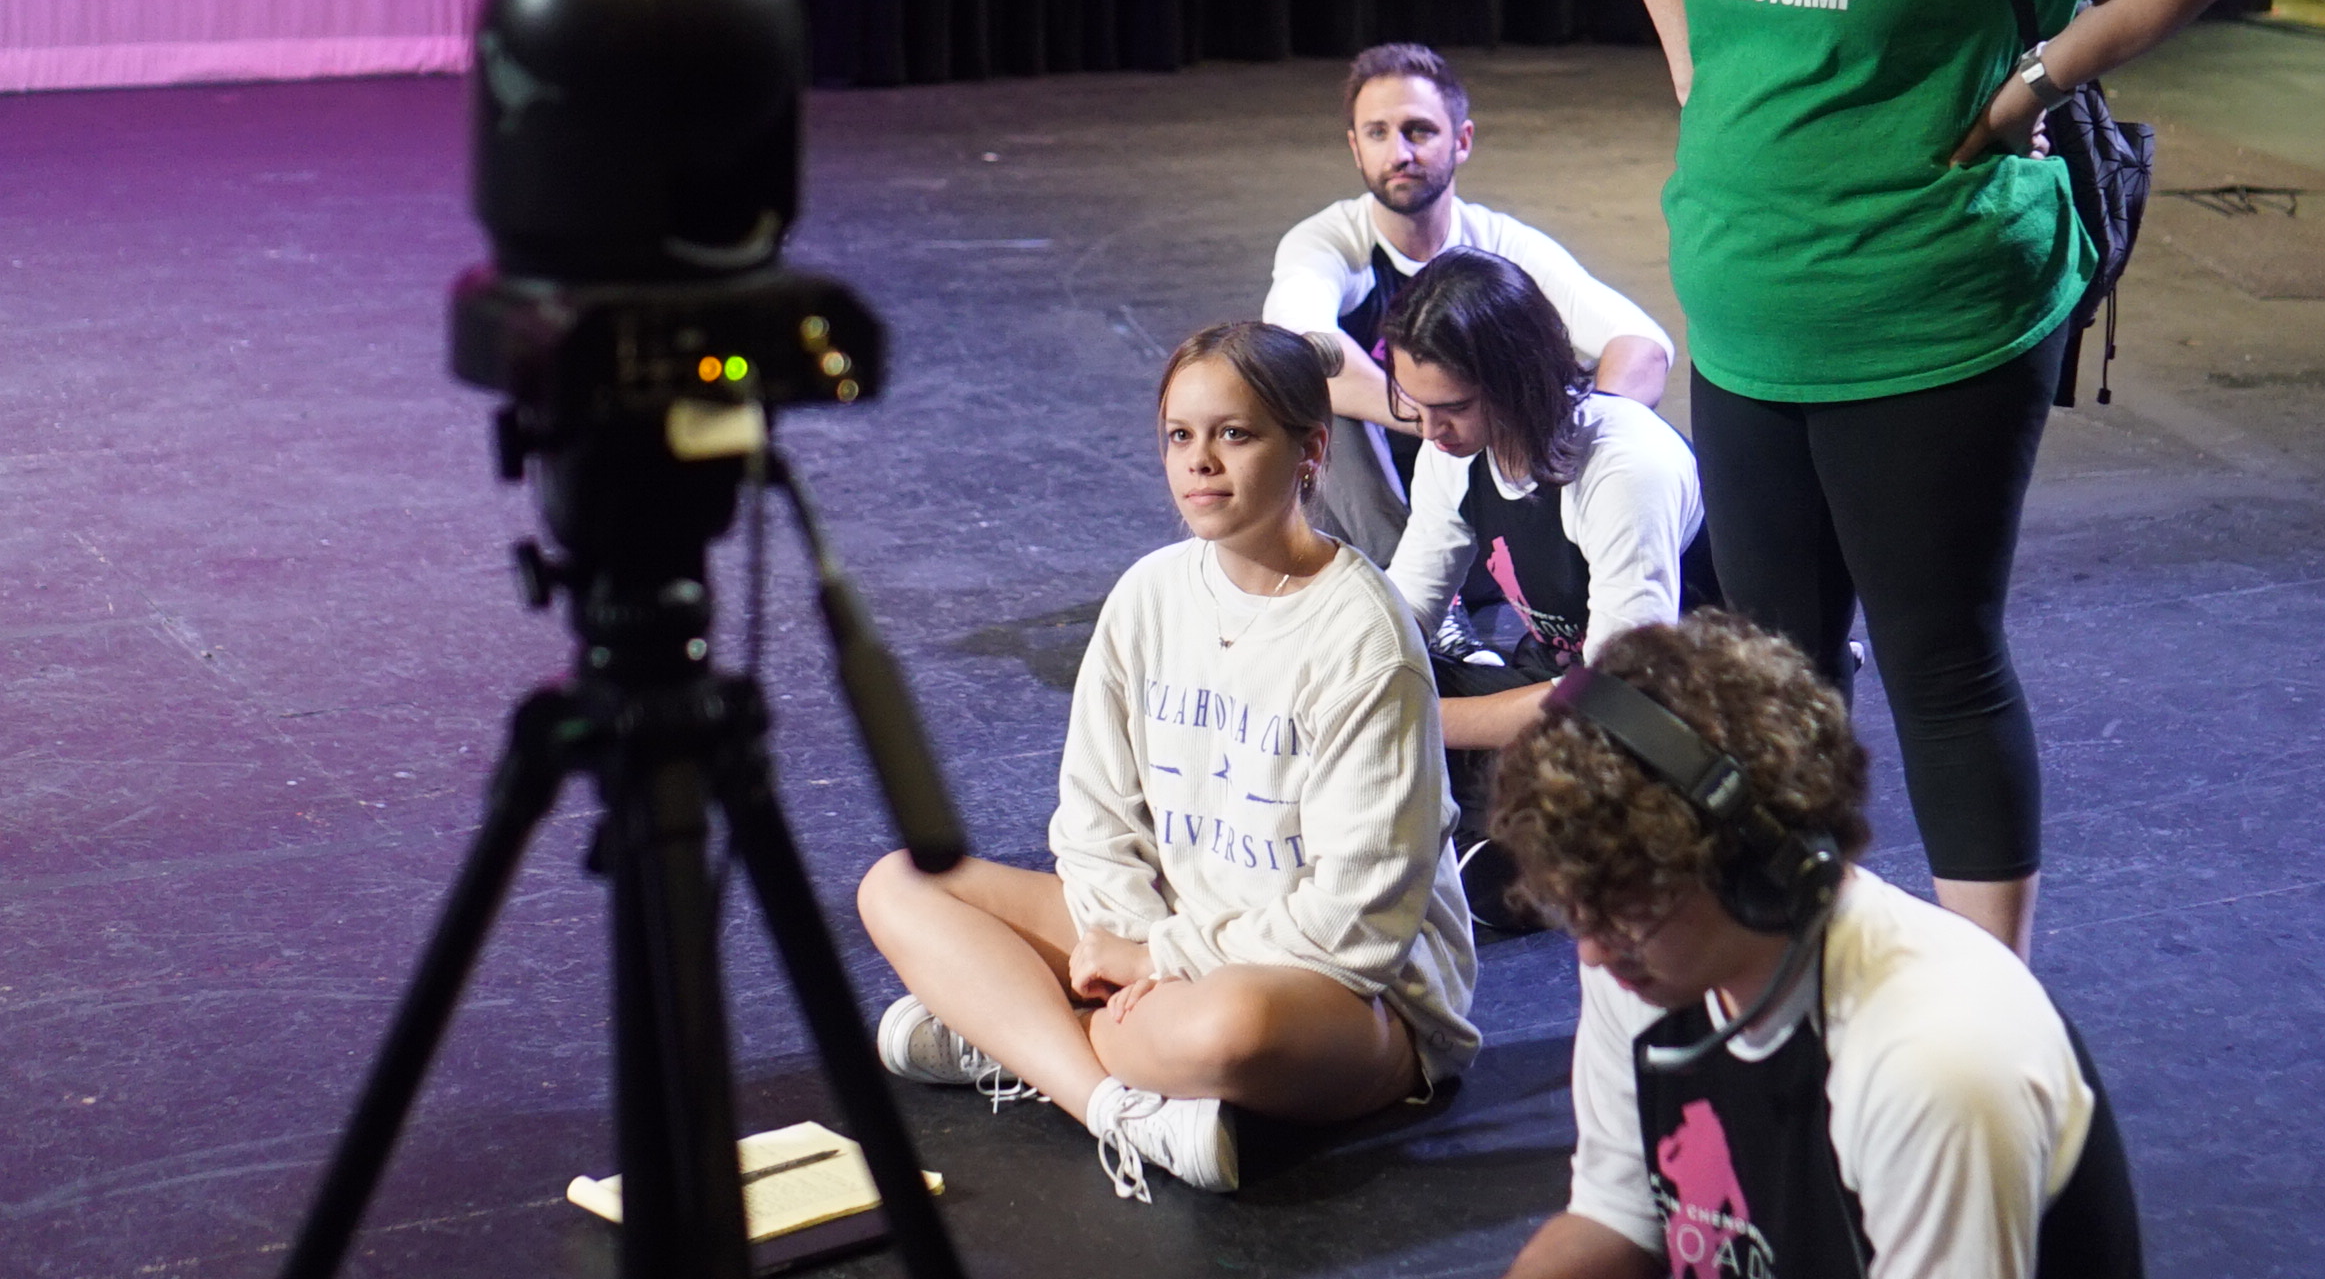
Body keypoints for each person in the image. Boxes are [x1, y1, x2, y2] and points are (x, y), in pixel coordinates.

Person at [1627, 0, 2273, 955]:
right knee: (1774, 674)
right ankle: (1800, 958)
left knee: (1937, 659)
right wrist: (1697, 73)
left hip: (1927, 319)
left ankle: (1988, 1002)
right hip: (1747, 316)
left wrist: (2045, 76)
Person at [856, 322, 1479, 1203]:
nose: (1201, 463)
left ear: (1311, 450)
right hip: (1165, 935)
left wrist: (1160, 961)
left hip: (1338, 989)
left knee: (1230, 1028)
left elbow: (1360, 925)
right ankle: (1110, 1104)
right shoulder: (1150, 592)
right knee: (900, 884)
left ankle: (1014, 1030)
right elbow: (1095, 817)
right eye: (1180, 437)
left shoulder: (1365, 637)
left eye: (1235, 434)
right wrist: (1130, 941)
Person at [1490, 614, 2140, 1279]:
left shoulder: (1935, 1060)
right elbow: (1616, 1216)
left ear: (1753, 868)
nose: (1594, 953)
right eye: (1579, 914)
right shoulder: (1645, 967)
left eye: (1625, 911)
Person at [1265, 42, 1676, 566]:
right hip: (1371, 513)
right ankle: (1410, 593)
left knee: (1579, 383)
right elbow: (1297, 348)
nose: (1400, 154)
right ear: (1355, 147)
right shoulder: (1327, 242)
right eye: (1378, 133)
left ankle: (1542, 561)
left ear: (1461, 141)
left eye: (1419, 130)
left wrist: (1569, 441)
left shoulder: (1503, 245)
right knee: (1308, 394)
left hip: (1492, 506)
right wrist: (1437, 412)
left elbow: (1643, 348)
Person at [1379, 247, 1707, 752]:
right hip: (1564, 674)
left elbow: (1623, 693)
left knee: (1400, 726)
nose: (1428, 430)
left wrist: (1416, 727)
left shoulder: (1625, 465)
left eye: (1453, 407)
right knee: (1364, 688)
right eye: (1413, 403)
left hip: (1677, 699)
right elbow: (1406, 614)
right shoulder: (1452, 450)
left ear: (1518, 381)